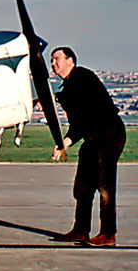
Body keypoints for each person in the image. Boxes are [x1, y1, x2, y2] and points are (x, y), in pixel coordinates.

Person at [49, 46, 126, 247]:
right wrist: (63, 144)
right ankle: (80, 231)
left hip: (108, 133)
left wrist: (65, 141)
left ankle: (108, 234)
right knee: (83, 186)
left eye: (57, 59)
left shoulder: (82, 77)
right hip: (92, 137)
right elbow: (78, 123)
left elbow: (85, 117)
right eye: (51, 60)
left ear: (70, 61)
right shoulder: (69, 86)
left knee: (104, 185)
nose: (53, 64)